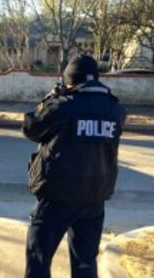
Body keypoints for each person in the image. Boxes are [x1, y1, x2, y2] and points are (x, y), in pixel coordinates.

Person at [22, 54, 126, 278]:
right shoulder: (116, 108)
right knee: (85, 262)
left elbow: (31, 128)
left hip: (57, 195)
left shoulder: (62, 106)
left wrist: (49, 99)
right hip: (95, 196)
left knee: (38, 257)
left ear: (71, 79)